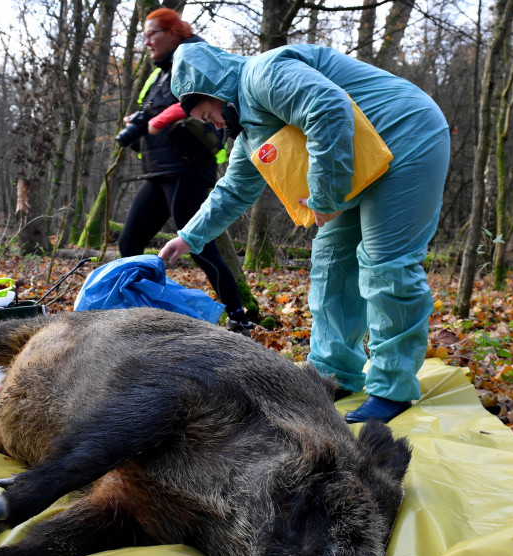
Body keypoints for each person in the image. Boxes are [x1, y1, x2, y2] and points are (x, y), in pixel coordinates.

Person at [157, 42, 450, 424]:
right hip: (359, 163)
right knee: (331, 264)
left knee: (386, 265)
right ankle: (333, 374)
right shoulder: (249, 135)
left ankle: (391, 387)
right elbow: (233, 190)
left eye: (208, 113)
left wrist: (325, 196)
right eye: (205, 121)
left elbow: (327, 107)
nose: (212, 124)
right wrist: (188, 237)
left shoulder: (264, 74)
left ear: (217, 89)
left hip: (407, 136)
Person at [116, 8, 252, 334]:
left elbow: (206, 96)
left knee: (199, 245)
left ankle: (238, 316)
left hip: (187, 168)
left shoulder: (195, 57)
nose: (147, 41)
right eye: (144, 35)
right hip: (158, 170)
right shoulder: (158, 74)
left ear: (174, 32)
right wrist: (140, 120)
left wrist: (160, 119)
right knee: (129, 243)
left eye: (153, 34)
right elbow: (153, 110)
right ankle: (142, 315)